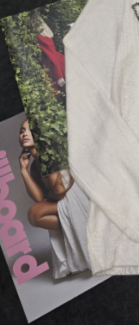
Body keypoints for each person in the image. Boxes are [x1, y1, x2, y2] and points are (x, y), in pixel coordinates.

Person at [18, 118, 91, 278]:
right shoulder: (35, 164)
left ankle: (84, 229)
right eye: (22, 131)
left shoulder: (50, 153)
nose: (24, 134)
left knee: (35, 213)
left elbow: (60, 190)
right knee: (35, 214)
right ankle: (78, 232)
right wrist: (24, 170)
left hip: (76, 198)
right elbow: (39, 197)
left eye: (30, 130)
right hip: (63, 200)